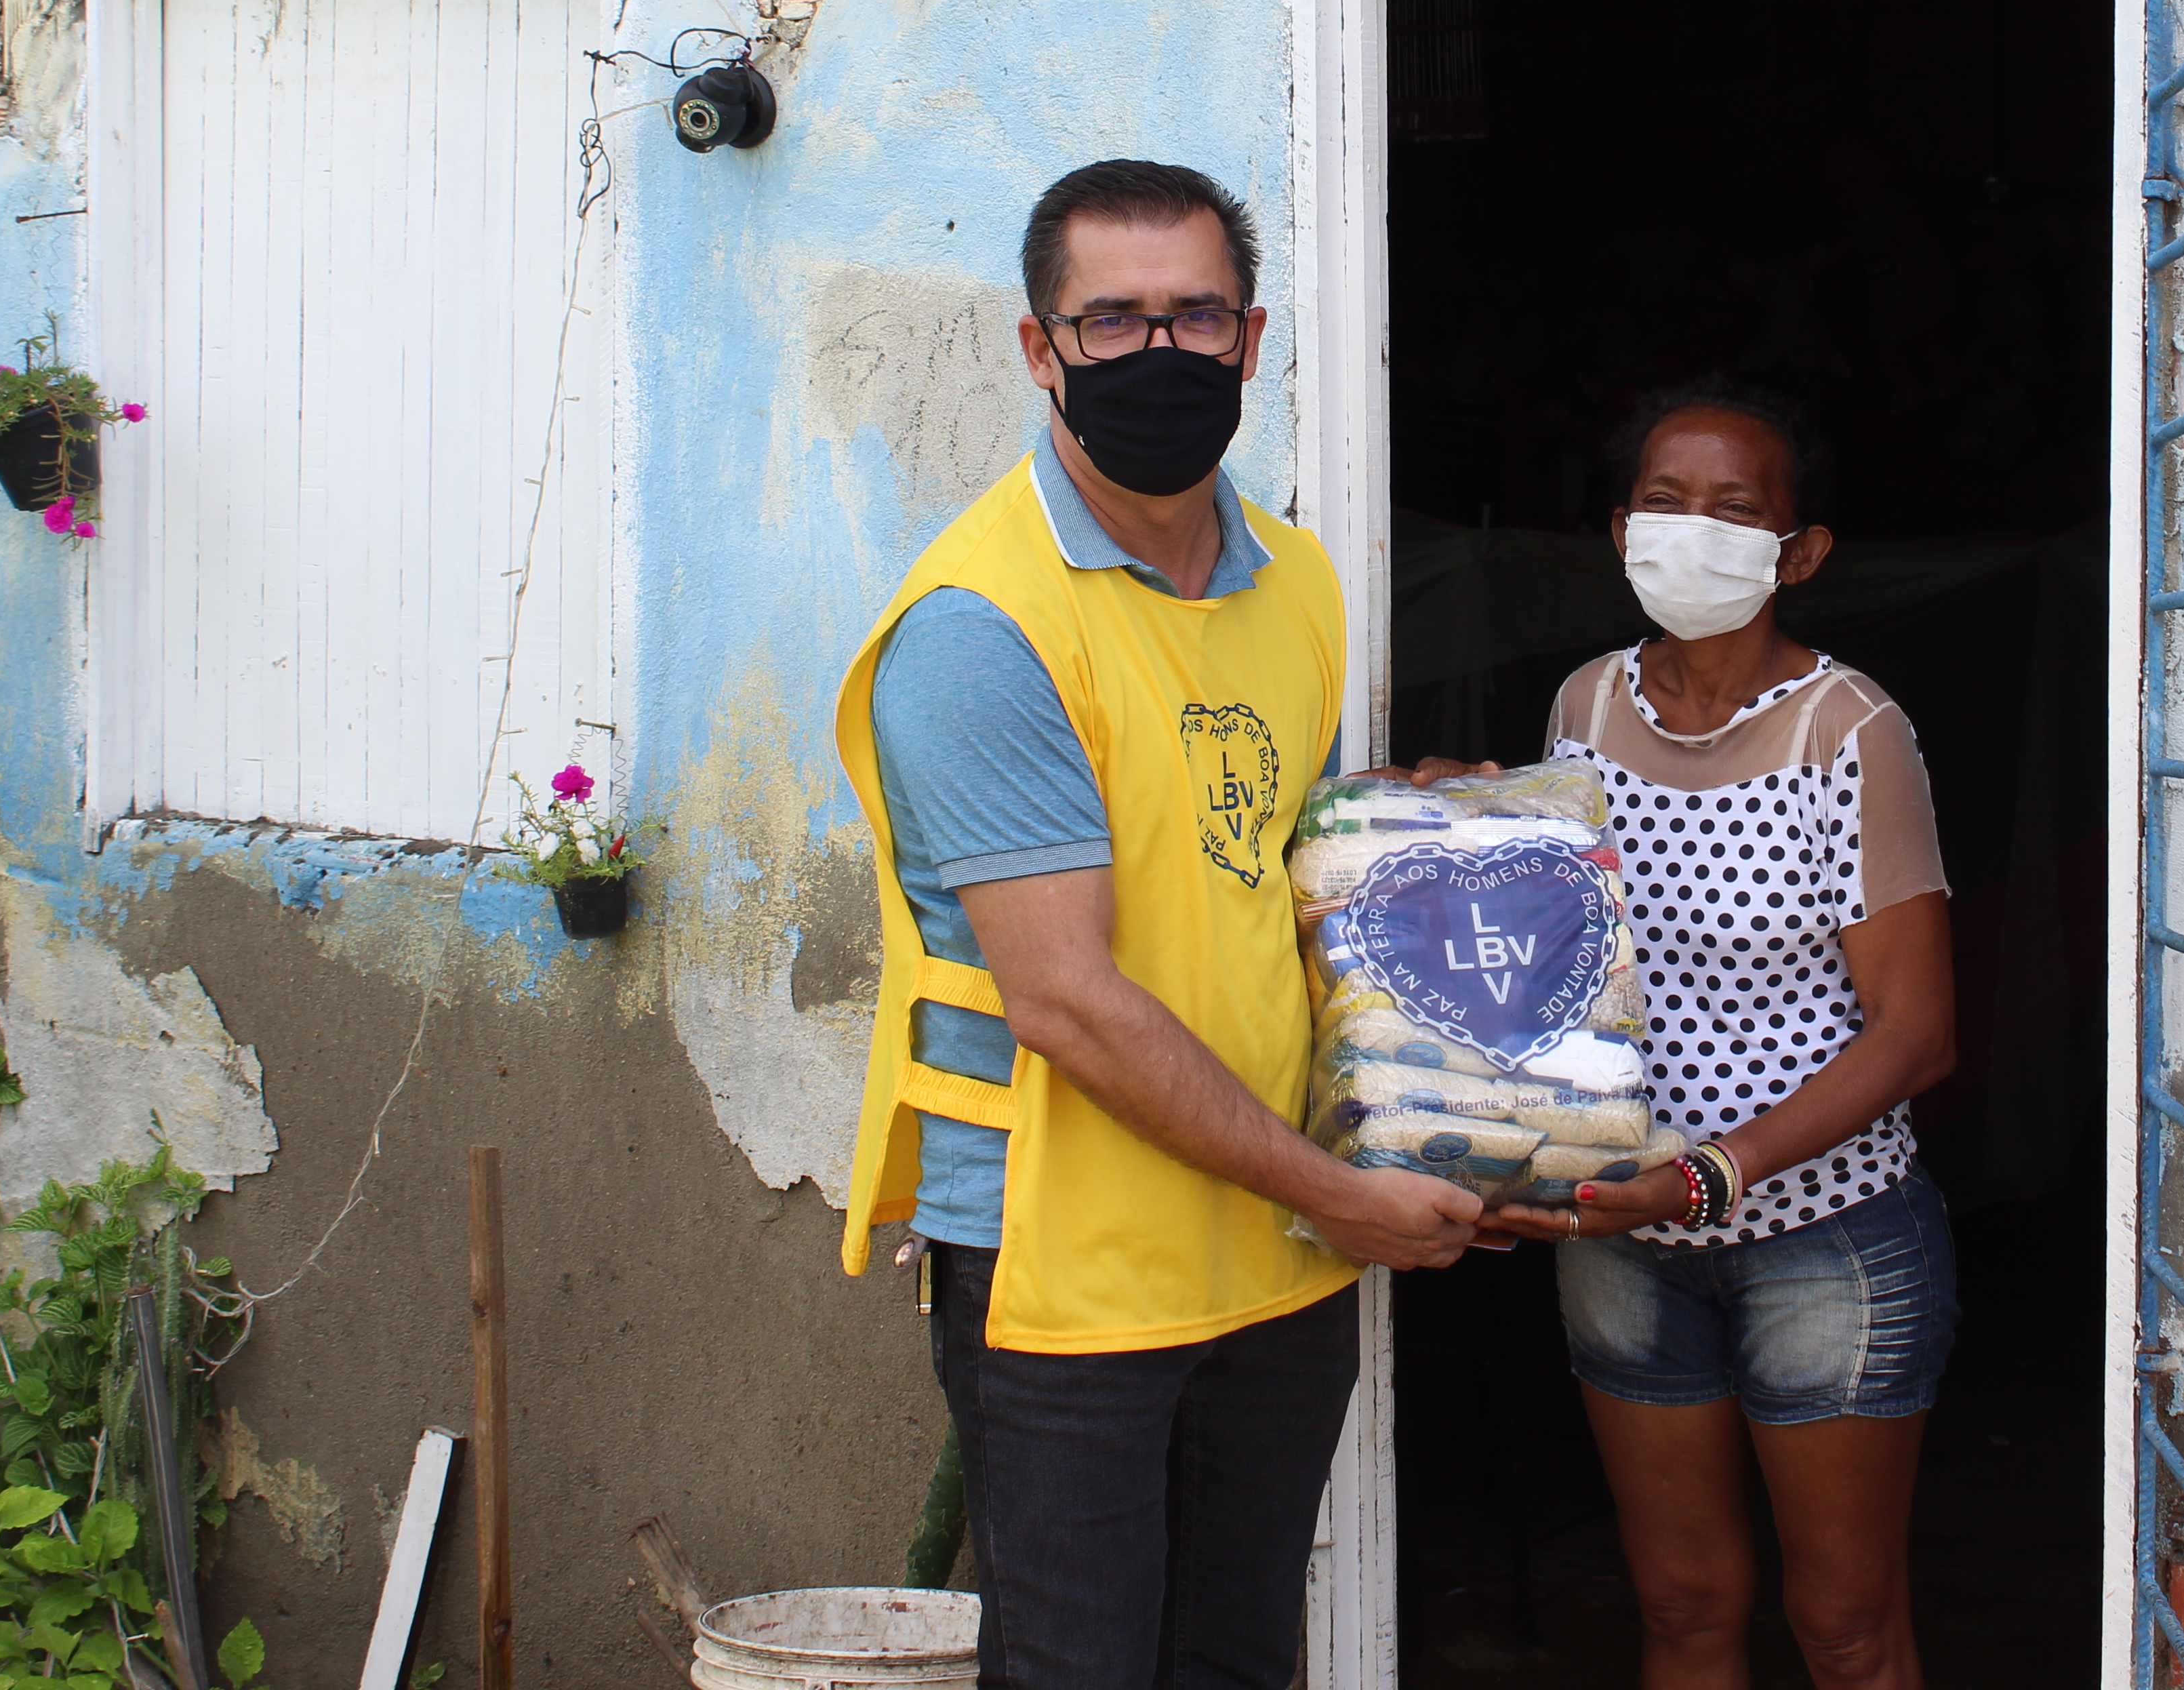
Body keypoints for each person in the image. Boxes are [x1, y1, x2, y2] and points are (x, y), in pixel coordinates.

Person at [830, 159, 1482, 1690]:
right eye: (1109, 321)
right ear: (1038, 348)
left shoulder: (1298, 582)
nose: (1157, 355)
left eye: (1195, 316)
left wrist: (1414, 831)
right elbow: (1065, 1000)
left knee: (1240, 1657)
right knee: (1081, 1669)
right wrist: (1341, 1185)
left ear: (1254, 340)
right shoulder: (985, 626)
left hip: (1268, 1235)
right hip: (1070, 1255)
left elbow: (1260, 856)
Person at [1486, 382, 1962, 1690]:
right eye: (1664, 501)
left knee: (1847, 1627)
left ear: (1798, 552)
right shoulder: (1585, 707)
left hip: (1828, 1239)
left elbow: (1918, 1034)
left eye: (1735, 510)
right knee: (1684, 1608)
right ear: (1622, 526)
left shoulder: (1849, 731)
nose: (1691, 532)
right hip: (1625, 1237)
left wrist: (1711, 1174)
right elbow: (1557, 946)